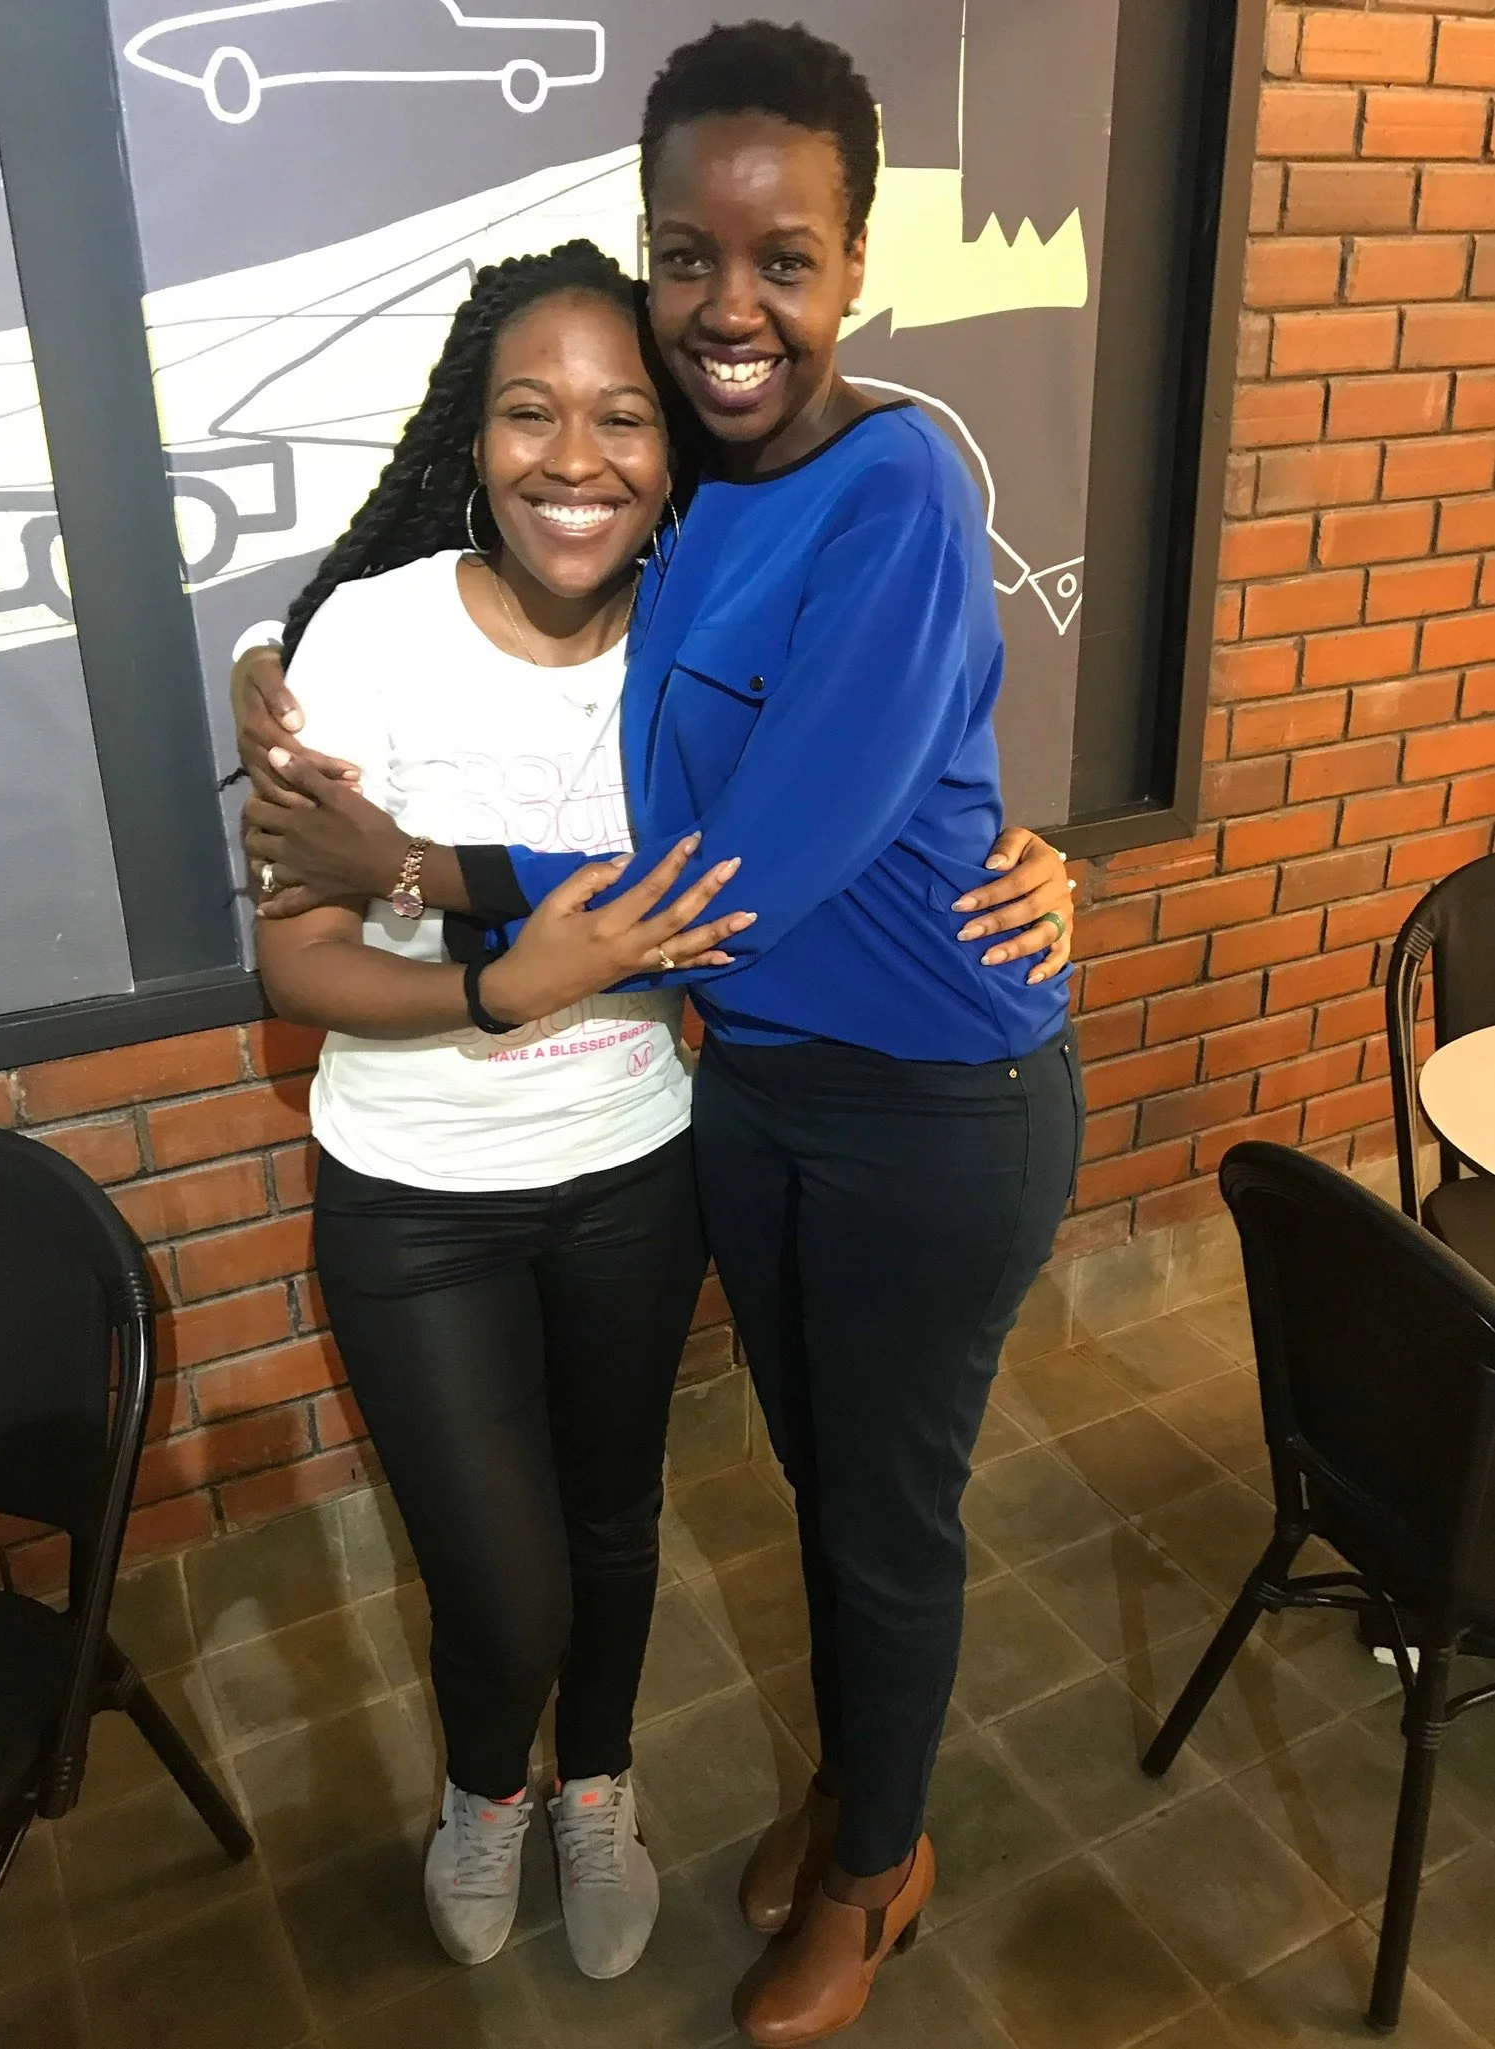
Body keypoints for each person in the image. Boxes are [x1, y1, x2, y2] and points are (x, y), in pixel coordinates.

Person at [234, 25, 1083, 2045]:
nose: (728, 307)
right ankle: (844, 1786)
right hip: (767, 1096)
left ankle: (878, 1875)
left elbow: (745, 873)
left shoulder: (891, 488)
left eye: (782, 260)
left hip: (926, 1107)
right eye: (687, 256)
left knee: (883, 1518)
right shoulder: (705, 491)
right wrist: (274, 653)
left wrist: (437, 875)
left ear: (856, 264)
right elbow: (488, 505)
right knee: (822, 1485)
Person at [254, 242, 757, 1985]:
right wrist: (493, 987)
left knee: (616, 1524)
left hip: (635, 1166)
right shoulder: (377, 633)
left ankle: (594, 1785)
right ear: (471, 441)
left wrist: (1017, 852)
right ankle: (487, 1791)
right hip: (412, 1199)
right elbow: (298, 962)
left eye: (624, 416)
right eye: (529, 412)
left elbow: (853, 801)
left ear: (673, 450)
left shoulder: (705, 643)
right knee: (504, 1585)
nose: (576, 457)